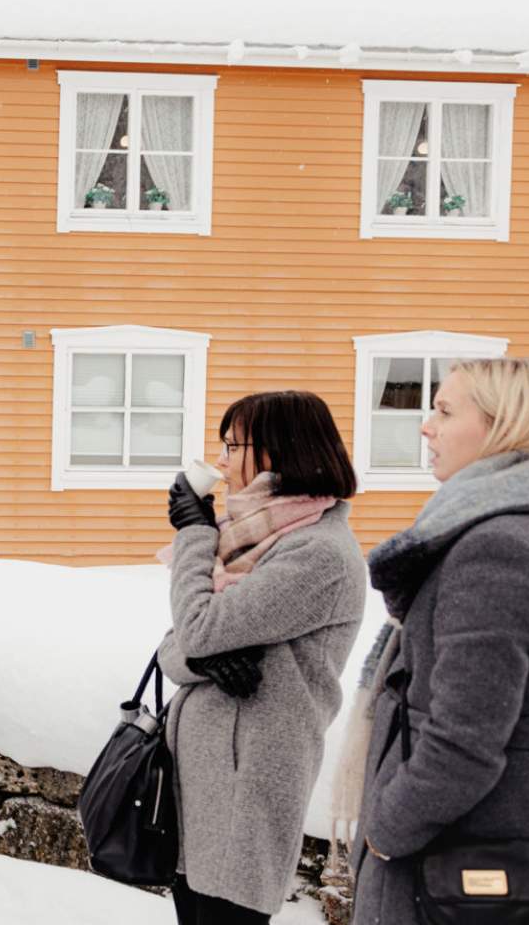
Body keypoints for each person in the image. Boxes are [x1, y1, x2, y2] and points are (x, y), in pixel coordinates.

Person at [346, 358, 529, 925]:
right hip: (519, 851)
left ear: (506, 426)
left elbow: (464, 742)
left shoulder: (499, 549)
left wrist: (385, 829)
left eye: (446, 411)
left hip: (471, 875)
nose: (426, 426)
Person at [156, 391, 366, 925]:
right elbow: (176, 647)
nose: (221, 460)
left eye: (232, 445)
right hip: (206, 782)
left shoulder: (317, 553)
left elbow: (197, 628)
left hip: (249, 782)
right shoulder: (249, 541)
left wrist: (194, 534)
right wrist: (201, 659)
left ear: (275, 451)